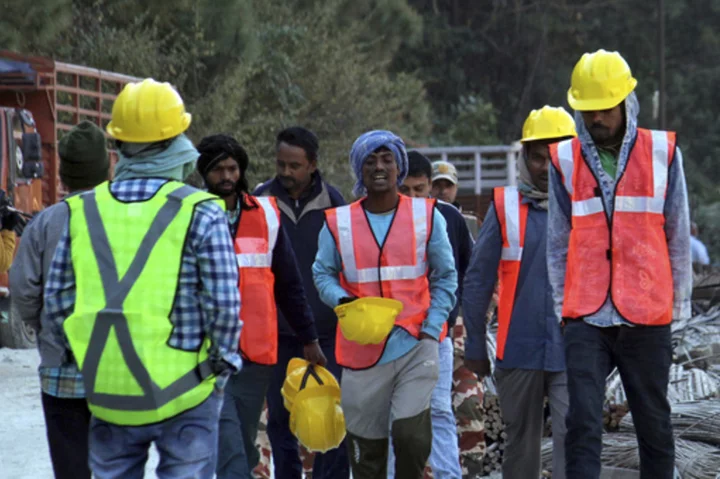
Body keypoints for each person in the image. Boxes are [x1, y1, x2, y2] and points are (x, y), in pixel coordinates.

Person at [43, 78, 242, 478]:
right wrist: (222, 367)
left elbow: (58, 301)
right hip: (189, 390)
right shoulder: (203, 211)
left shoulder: (83, 210)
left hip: (109, 392)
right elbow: (223, 303)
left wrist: (87, 364)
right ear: (177, 141)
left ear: (118, 145)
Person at [548, 50, 692, 479]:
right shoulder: (565, 160)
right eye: (589, 111)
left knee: (653, 423)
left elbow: (678, 236)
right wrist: (562, 308)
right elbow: (558, 242)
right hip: (586, 316)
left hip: (647, 314)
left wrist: (679, 310)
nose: (597, 120)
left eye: (605, 109)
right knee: (583, 422)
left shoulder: (663, 153)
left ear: (627, 103)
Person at [313, 130, 458, 479]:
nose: (379, 167)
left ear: (399, 167)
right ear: (358, 169)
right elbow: (322, 273)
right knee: (367, 456)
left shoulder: (428, 216)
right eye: (370, 160)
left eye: (386, 159)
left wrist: (430, 329)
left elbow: (446, 277)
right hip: (360, 351)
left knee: (410, 437)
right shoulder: (339, 222)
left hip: (415, 345)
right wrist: (344, 301)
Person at [196, 134, 326, 478]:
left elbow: (289, 285)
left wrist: (309, 337)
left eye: (232, 168)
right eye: (218, 170)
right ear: (203, 173)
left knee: (238, 438)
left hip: (254, 356)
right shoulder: (189, 215)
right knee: (229, 446)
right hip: (204, 353)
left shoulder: (266, 215)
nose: (226, 176)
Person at [463, 106, 577, 479]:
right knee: (521, 447)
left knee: (573, 439)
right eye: (538, 157)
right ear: (526, 157)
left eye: (555, 156)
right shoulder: (504, 206)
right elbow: (478, 281)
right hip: (518, 349)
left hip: (575, 347)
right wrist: (476, 348)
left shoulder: (586, 208)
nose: (546, 166)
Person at [9, 120, 109, 479]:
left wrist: (44, 326)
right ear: (107, 168)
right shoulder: (129, 218)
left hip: (61, 373)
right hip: (122, 374)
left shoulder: (45, 224)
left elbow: (22, 289)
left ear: (63, 176)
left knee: (71, 470)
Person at [253, 126, 349, 478]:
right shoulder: (261, 200)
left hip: (327, 331)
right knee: (281, 418)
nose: (286, 173)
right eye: (281, 164)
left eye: (294, 166)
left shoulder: (336, 204)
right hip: (277, 331)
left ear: (312, 165)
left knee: (331, 415)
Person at [388, 150, 472, 478]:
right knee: (390, 415)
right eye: (404, 189)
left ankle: (447, 474)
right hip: (389, 336)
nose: (411, 197)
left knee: (437, 411)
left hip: (435, 335)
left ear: (429, 189)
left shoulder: (449, 218)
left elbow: (466, 268)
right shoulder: (381, 217)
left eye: (418, 190)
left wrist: (448, 317)